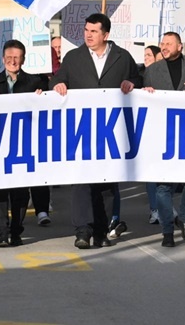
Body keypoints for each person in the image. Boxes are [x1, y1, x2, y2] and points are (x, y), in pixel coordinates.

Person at [49, 13, 142, 249]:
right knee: (81, 180)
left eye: (93, 31)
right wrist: (57, 85)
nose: (88, 35)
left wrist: (132, 83)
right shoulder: (74, 57)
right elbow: (57, 81)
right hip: (81, 129)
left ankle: (102, 230)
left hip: (112, 131)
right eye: (86, 30)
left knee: (107, 184)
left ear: (106, 34)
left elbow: (137, 80)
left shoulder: (122, 57)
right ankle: (83, 230)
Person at [141, 32, 185, 247]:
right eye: (162, 43)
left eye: (168, 43)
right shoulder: (152, 71)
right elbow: (145, 101)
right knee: (163, 186)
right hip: (162, 135)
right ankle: (167, 232)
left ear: (180, 46)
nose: (163, 46)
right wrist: (146, 93)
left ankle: (183, 218)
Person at [0, 39, 49, 247]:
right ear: (3, 59)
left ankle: (16, 231)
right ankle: (1, 232)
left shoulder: (34, 82)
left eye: (17, 58)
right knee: (0, 191)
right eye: (9, 57)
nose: (13, 61)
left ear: (23, 59)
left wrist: (42, 96)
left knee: (21, 192)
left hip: (24, 143)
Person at [140, 44, 164, 224]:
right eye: (145, 55)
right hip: (149, 129)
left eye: (149, 55)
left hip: (166, 128)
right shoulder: (141, 75)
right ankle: (155, 209)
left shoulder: (162, 75)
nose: (146, 58)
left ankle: (164, 206)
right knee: (152, 172)